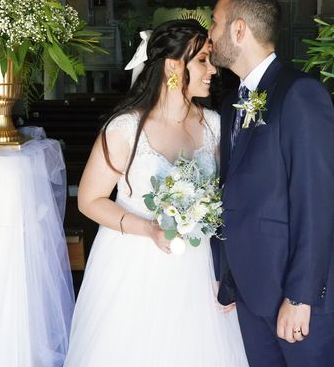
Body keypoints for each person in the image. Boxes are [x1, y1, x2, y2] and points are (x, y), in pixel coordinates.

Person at [64, 19, 248, 366]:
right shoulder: (125, 128)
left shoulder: (214, 125)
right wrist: (148, 228)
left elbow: (231, 198)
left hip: (198, 267)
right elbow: (89, 200)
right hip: (134, 266)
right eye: (203, 60)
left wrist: (225, 272)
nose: (212, 70)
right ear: (172, 66)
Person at [208, 0, 334, 367]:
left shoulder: (299, 93)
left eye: (215, 23)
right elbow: (233, 191)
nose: (210, 34)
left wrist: (300, 296)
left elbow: (317, 201)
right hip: (250, 290)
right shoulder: (230, 103)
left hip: (296, 294)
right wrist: (228, 278)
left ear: (239, 30)